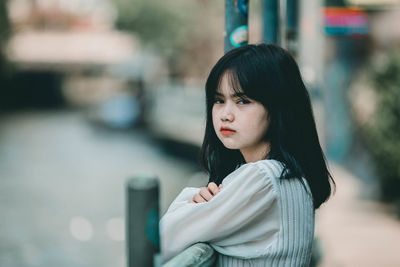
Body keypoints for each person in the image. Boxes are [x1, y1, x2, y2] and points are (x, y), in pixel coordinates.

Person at [160, 44, 336, 266]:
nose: (225, 115)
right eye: (219, 100)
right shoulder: (292, 177)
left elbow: (162, 241)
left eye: (243, 101)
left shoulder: (262, 179)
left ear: (277, 107)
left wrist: (190, 200)